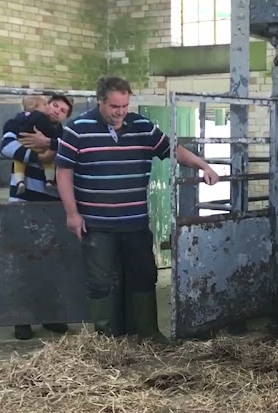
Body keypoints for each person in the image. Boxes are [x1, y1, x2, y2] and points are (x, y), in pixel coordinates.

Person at [55, 75, 220, 343]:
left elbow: (172, 149)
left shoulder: (141, 125)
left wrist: (203, 165)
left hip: (135, 221)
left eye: (125, 106)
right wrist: (72, 214)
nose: (120, 112)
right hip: (97, 223)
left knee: (144, 275)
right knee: (100, 281)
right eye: (114, 107)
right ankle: (105, 340)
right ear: (100, 101)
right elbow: (64, 172)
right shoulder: (77, 128)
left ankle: (148, 333)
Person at [0, 93, 74, 340]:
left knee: (51, 262)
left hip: (52, 204)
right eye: (54, 105)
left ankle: (49, 314)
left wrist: (49, 144)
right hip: (23, 201)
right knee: (25, 262)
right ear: (46, 106)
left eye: (63, 110)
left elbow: (73, 150)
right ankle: (22, 319)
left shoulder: (63, 134)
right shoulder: (19, 122)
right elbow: (6, 146)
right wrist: (37, 155)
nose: (57, 111)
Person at [8, 95, 62, 196]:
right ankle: (49, 180)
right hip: (28, 196)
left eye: (63, 111)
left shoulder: (16, 120)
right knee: (49, 164)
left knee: (18, 163)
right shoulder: (42, 118)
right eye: (46, 104)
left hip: (24, 147)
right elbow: (6, 147)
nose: (49, 107)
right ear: (36, 107)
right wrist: (40, 155)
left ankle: (20, 182)